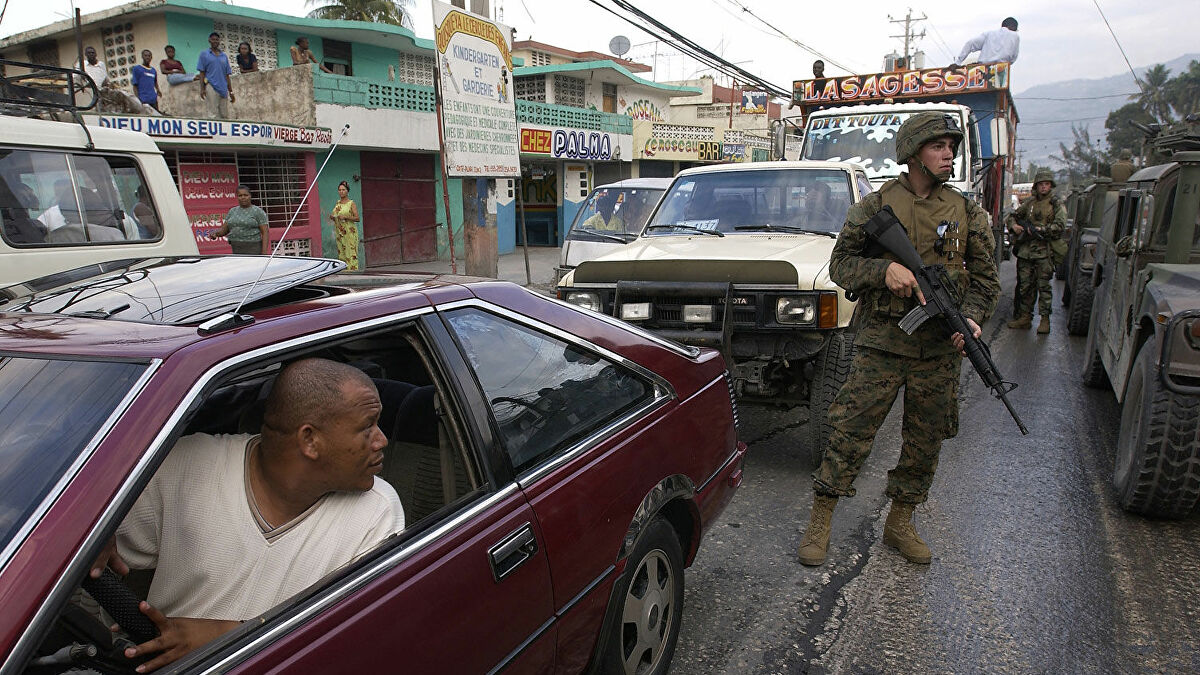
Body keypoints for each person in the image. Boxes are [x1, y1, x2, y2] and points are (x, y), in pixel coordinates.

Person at [91, 358, 404, 672]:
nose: (382, 440)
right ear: (309, 440)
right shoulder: (187, 467)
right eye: (367, 427)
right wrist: (94, 527)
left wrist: (222, 636)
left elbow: (349, 639)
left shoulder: (376, 511)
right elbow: (79, 542)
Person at [797, 112, 1000, 566]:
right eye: (938, 146)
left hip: (939, 352)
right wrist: (882, 270)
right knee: (850, 431)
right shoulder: (874, 208)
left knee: (925, 441)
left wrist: (971, 319)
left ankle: (901, 521)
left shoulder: (966, 212)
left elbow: (987, 280)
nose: (949, 154)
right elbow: (840, 265)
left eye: (952, 146)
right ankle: (821, 518)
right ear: (912, 154)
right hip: (882, 344)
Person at [1005, 169, 1065, 334]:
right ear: (1036, 186)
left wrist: (1041, 229)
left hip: (1044, 252)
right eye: (1041, 184)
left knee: (1044, 287)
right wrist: (1014, 227)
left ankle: (1044, 319)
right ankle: (1025, 317)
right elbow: (1012, 216)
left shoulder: (1055, 204)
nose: (1043, 187)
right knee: (1025, 286)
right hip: (1026, 252)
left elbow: (1060, 226)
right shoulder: (1029, 204)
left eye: (1046, 184)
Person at [210, 185, 269, 255]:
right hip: (236, 247)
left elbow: (265, 232)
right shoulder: (232, 211)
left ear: (250, 196)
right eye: (240, 195)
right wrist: (216, 234)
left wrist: (264, 252)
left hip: (253, 248)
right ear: (237, 197)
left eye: (245, 195)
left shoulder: (258, 211)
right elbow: (225, 230)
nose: (243, 197)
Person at [197, 32, 235, 119]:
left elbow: (227, 75)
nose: (215, 41)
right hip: (211, 85)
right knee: (213, 113)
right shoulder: (204, 54)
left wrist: (231, 91)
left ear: (219, 41)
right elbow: (202, 73)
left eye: (217, 39)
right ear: (209, 40)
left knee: (224, 114)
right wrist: (202, 89)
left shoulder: (224, 56)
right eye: (213, 39)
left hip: (223, 87)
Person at [953, 17, 1019, 67]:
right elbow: (1013, 58)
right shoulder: (1015, 36)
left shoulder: (989, 34)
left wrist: (958, 62)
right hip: (1002, 68)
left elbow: (970, 43)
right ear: (1013, 27)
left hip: (983, 68)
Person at [330, 180, 361, 270]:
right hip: (340, 233)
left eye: (343, 190)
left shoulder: (351, 203)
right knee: (342, 254)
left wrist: (346, 217)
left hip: (349, 233)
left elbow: (357, 218)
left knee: (351, 254)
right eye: (339, 190)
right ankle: (344, 274)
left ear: (347, 191)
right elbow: (336, 215)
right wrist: (333, 217)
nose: (341, 192)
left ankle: (353, 274)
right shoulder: (338, 203)